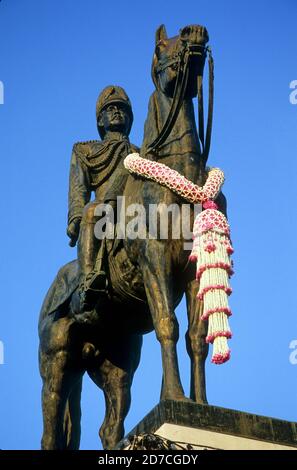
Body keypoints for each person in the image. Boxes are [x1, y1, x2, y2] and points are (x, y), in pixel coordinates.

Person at [67, 85, 139, 309]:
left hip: (135, 212)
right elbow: (79, 187)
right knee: (92, 211)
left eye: (122, 109)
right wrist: (75, 218)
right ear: (100, 121)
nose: (117, 112)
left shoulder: (142, 153)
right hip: (104, 212)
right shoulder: (86, 151)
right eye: (110, 109)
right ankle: (89, 279)